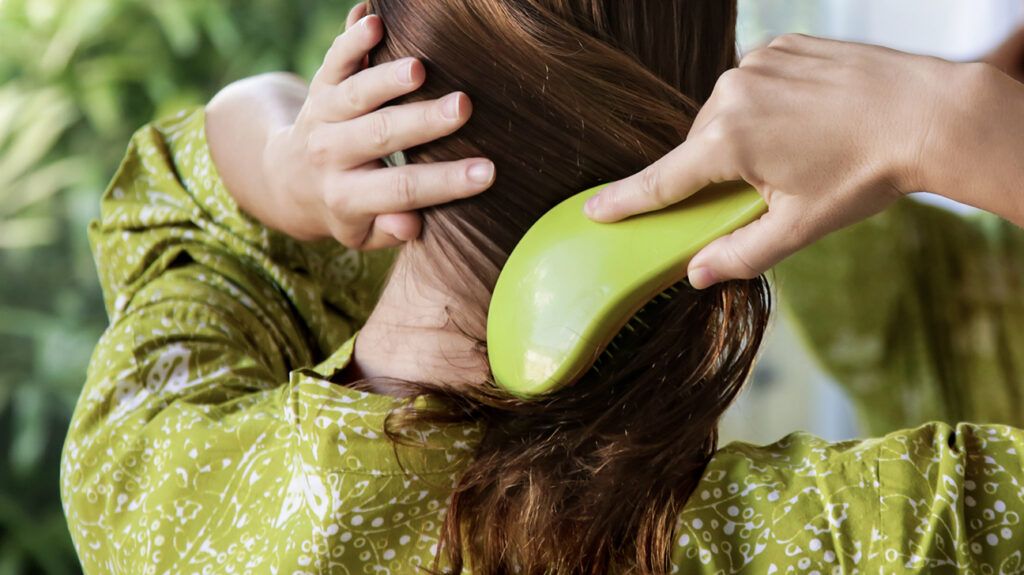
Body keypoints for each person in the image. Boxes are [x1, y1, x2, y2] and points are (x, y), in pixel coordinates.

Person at [59, 2, 1024, 575]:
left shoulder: (150, 469)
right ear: (707, 139)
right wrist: (951, 123)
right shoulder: (848, 536)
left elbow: (177, 194)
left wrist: (284, 168)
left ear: (372, 62)